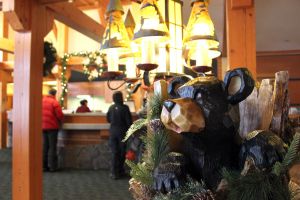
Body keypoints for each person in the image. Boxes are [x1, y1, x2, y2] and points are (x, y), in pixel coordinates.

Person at [106, 91, 132, 179]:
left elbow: (108, 119)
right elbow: (129, 122)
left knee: (114, 152)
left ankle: (113, 172)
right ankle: (120, 171)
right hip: (122, 132)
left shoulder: (111, 107)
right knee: (121, 152)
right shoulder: (125, 108)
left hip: (112, 132)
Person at [42, 88, 64, 172]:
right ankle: (52, 167)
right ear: (55, 94)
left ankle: (44, 166)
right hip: (52, 127)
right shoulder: (54, 102)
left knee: (45, 146)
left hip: (42, 126)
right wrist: (61, 121)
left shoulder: (42, 100)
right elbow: (60, 115)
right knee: (52, 147)